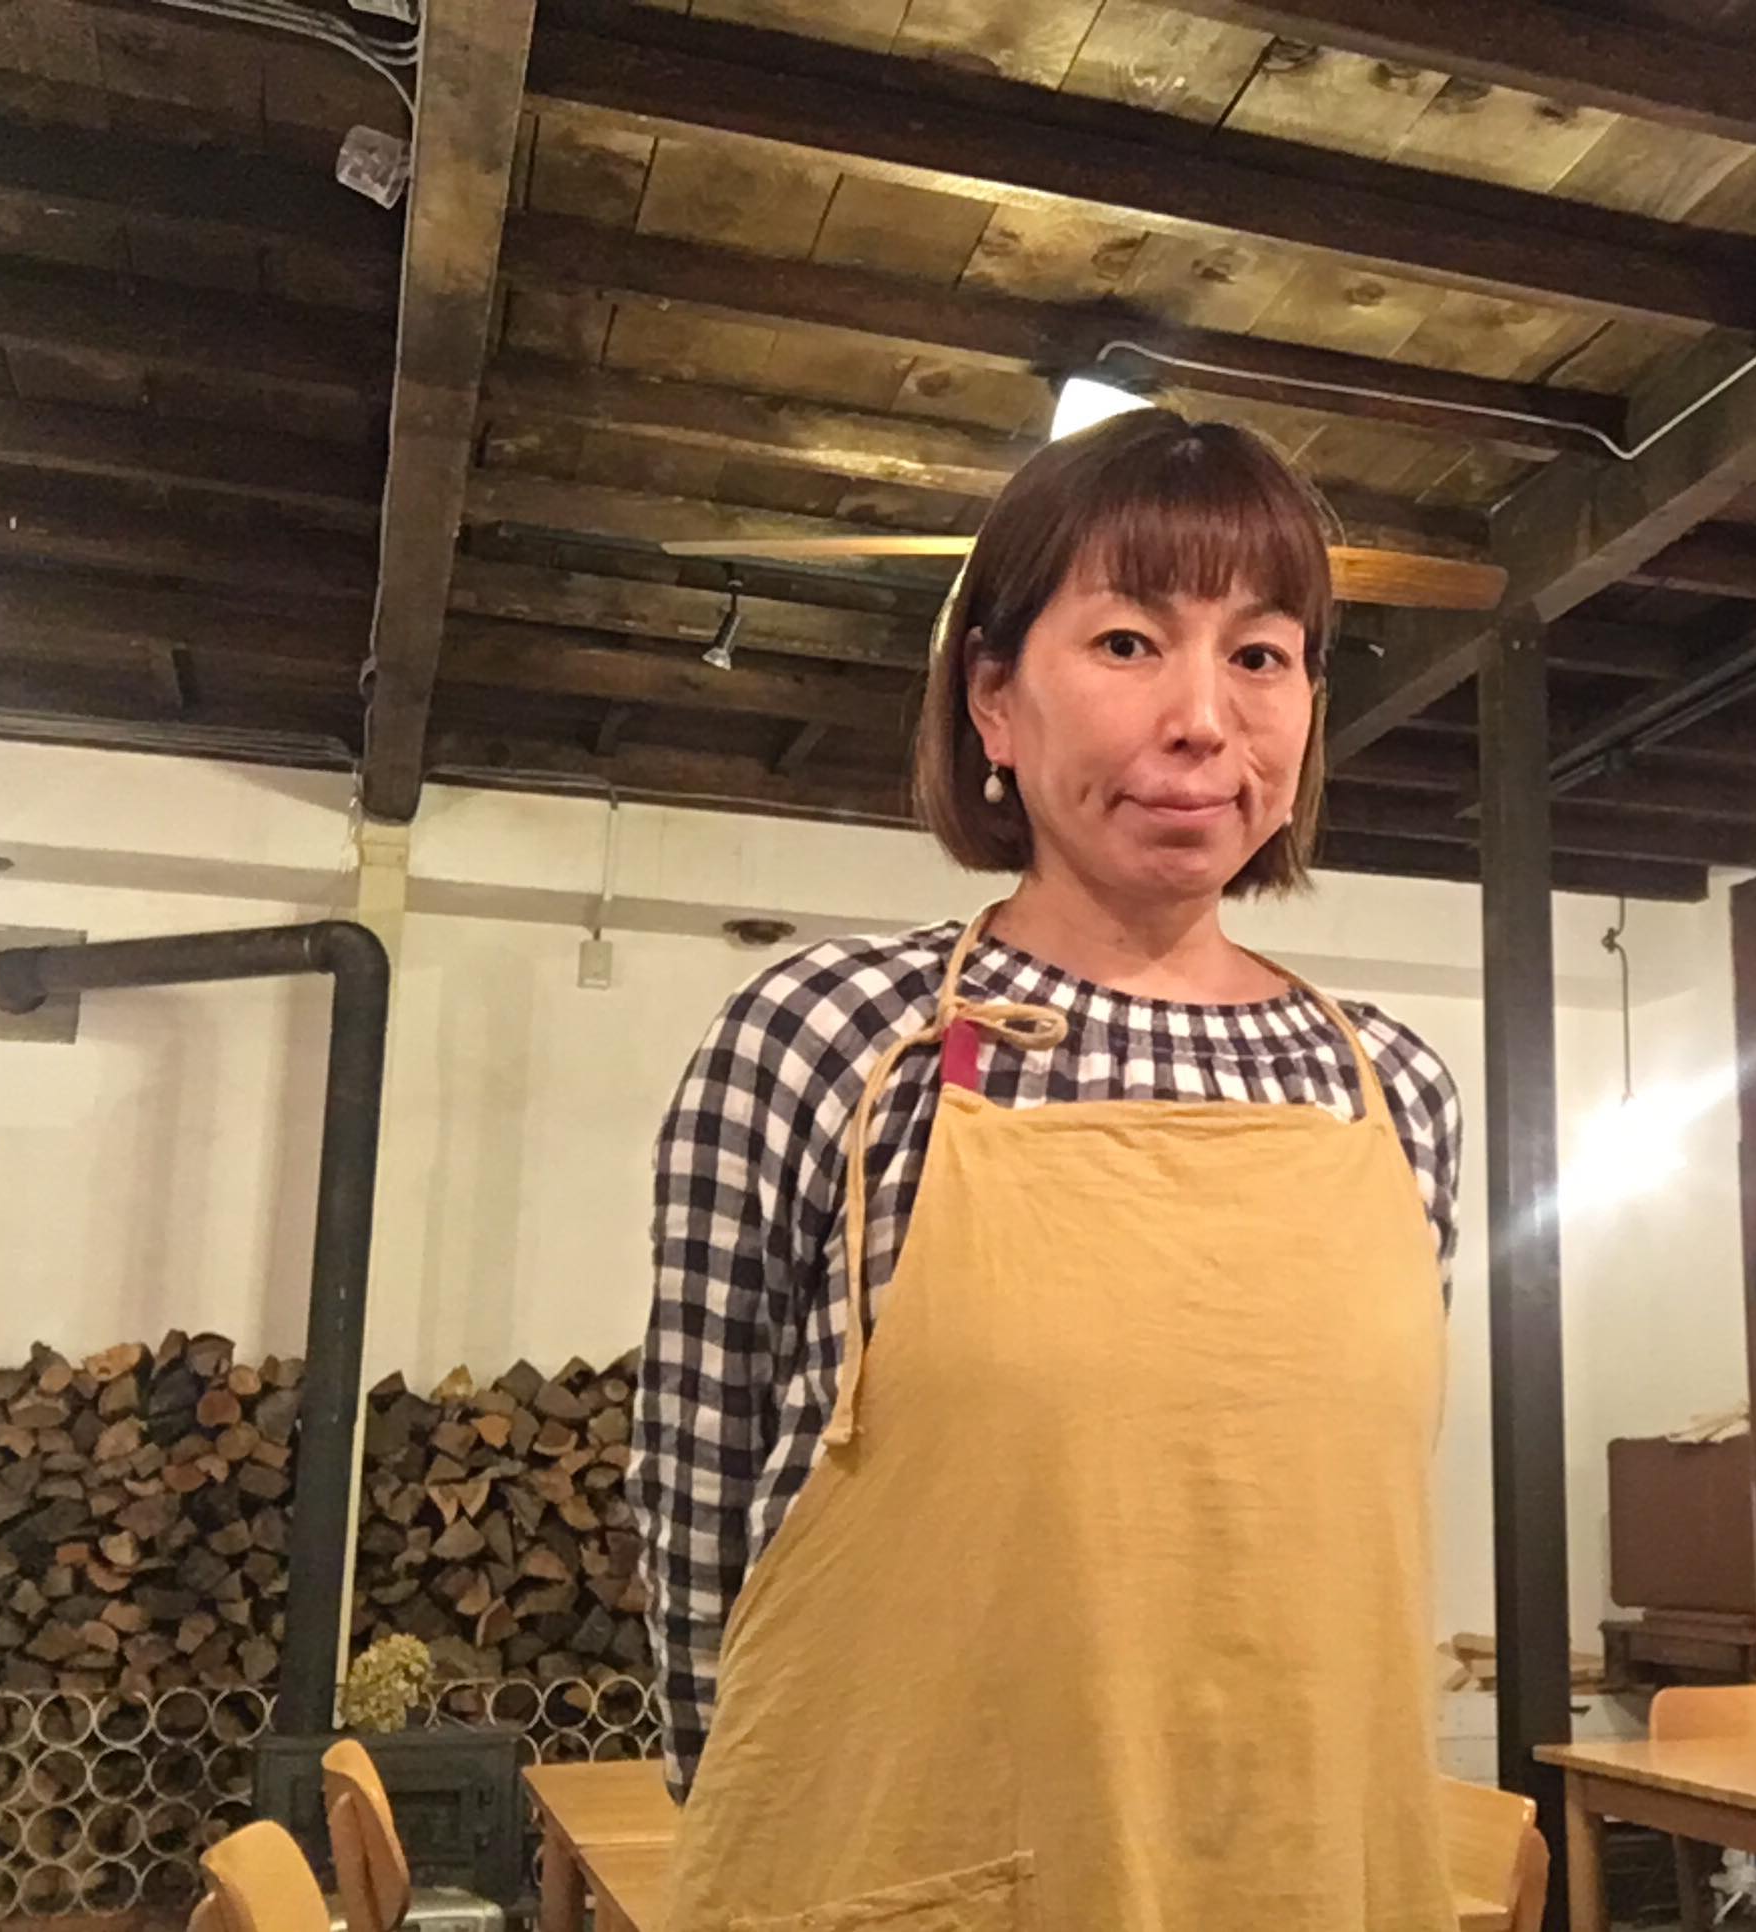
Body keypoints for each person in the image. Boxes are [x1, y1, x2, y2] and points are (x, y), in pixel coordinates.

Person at [639, 407, 1465, 1931]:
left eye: (1261, 653)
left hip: (1306, 1881)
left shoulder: (1391, 1091)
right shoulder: (824, 1041)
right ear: (994, 703)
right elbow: (699, 1533)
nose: (1204, 718)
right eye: (1129, 643)